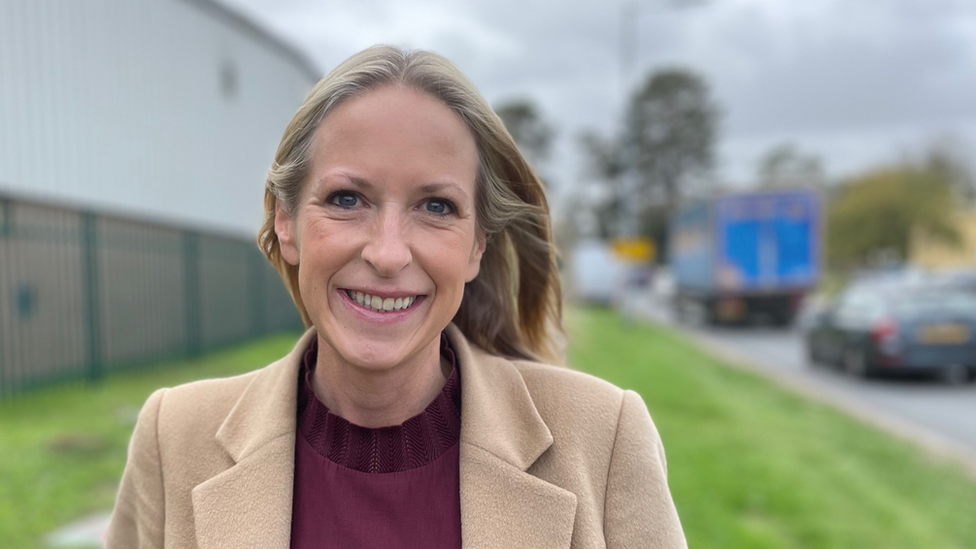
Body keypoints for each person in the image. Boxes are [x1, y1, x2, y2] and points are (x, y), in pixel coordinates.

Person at [106, 45, 686, 548]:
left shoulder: (605, 438)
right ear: (285, 221)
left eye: (436, 207)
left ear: (477, 244)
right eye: (347, 199)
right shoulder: (172, 437)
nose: (388, 254)